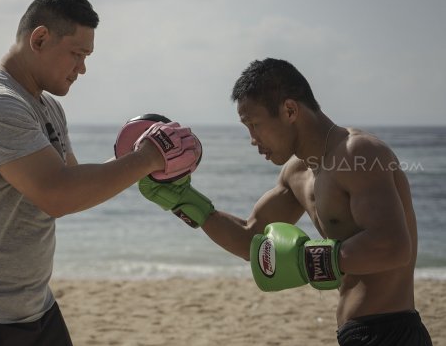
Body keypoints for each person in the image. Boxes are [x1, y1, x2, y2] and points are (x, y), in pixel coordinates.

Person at [0, 0, 201, 346]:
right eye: (77, 54)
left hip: (33, 305)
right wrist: (147, 157)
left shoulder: (47, 107)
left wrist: (142, 164)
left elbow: (74, 186)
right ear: (40, 38)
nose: (82, 68)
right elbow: (57, 195)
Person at [138, 58, 433, 345]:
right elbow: (249, 239)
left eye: (254, 124)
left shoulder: (358, 153)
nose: (252, 139)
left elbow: (394, 246)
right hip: (353, 333)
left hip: (392, 332)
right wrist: (185, 201)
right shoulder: (297, 173)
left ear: (290, 110)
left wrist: (308, 260)